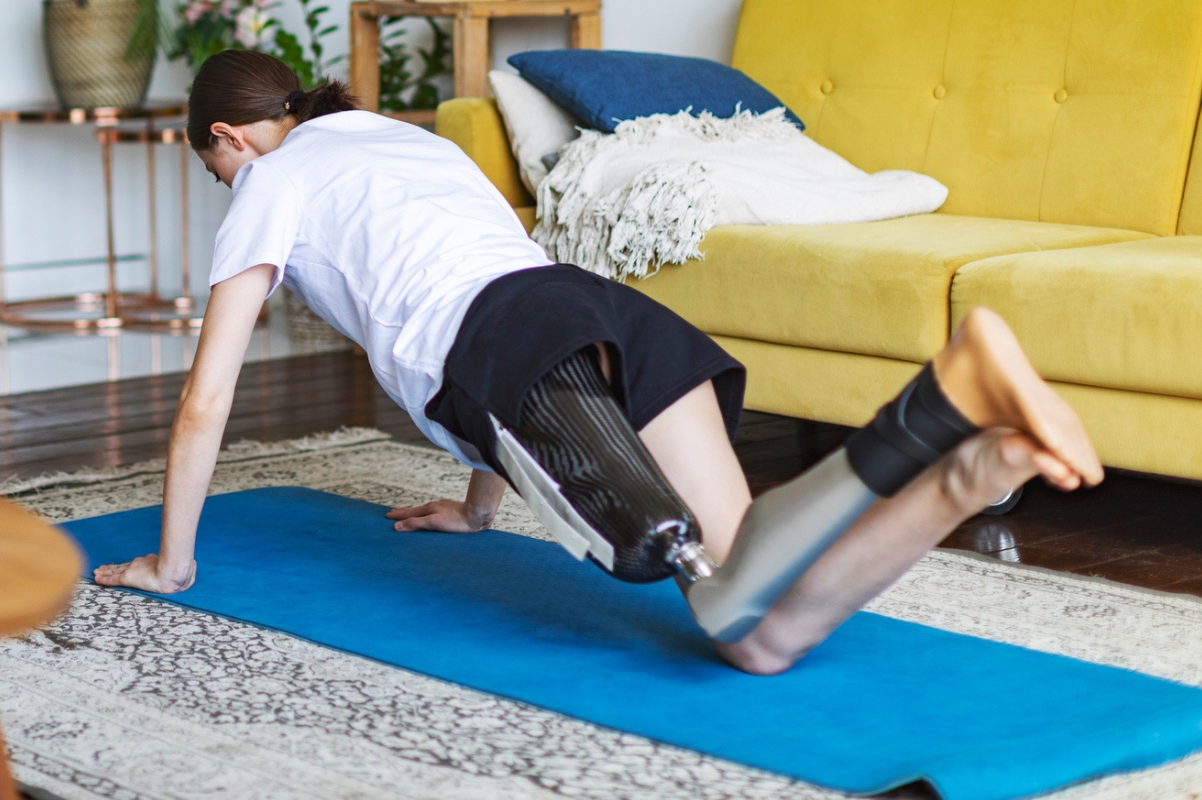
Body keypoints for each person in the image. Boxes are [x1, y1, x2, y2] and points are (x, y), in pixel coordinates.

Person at [92, 49, 1103, 676]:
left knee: (729, 606)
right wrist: (477, 506)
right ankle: (975, 465)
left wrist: (174, 563)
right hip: (596, 309)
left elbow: (207, 395)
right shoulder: (410, 146)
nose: (226, 181)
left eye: (214, 164)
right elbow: (481, 287)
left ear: (229, 137)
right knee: (761, 622)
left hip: (514, 352)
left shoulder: (271, 179)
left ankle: (941, 404)